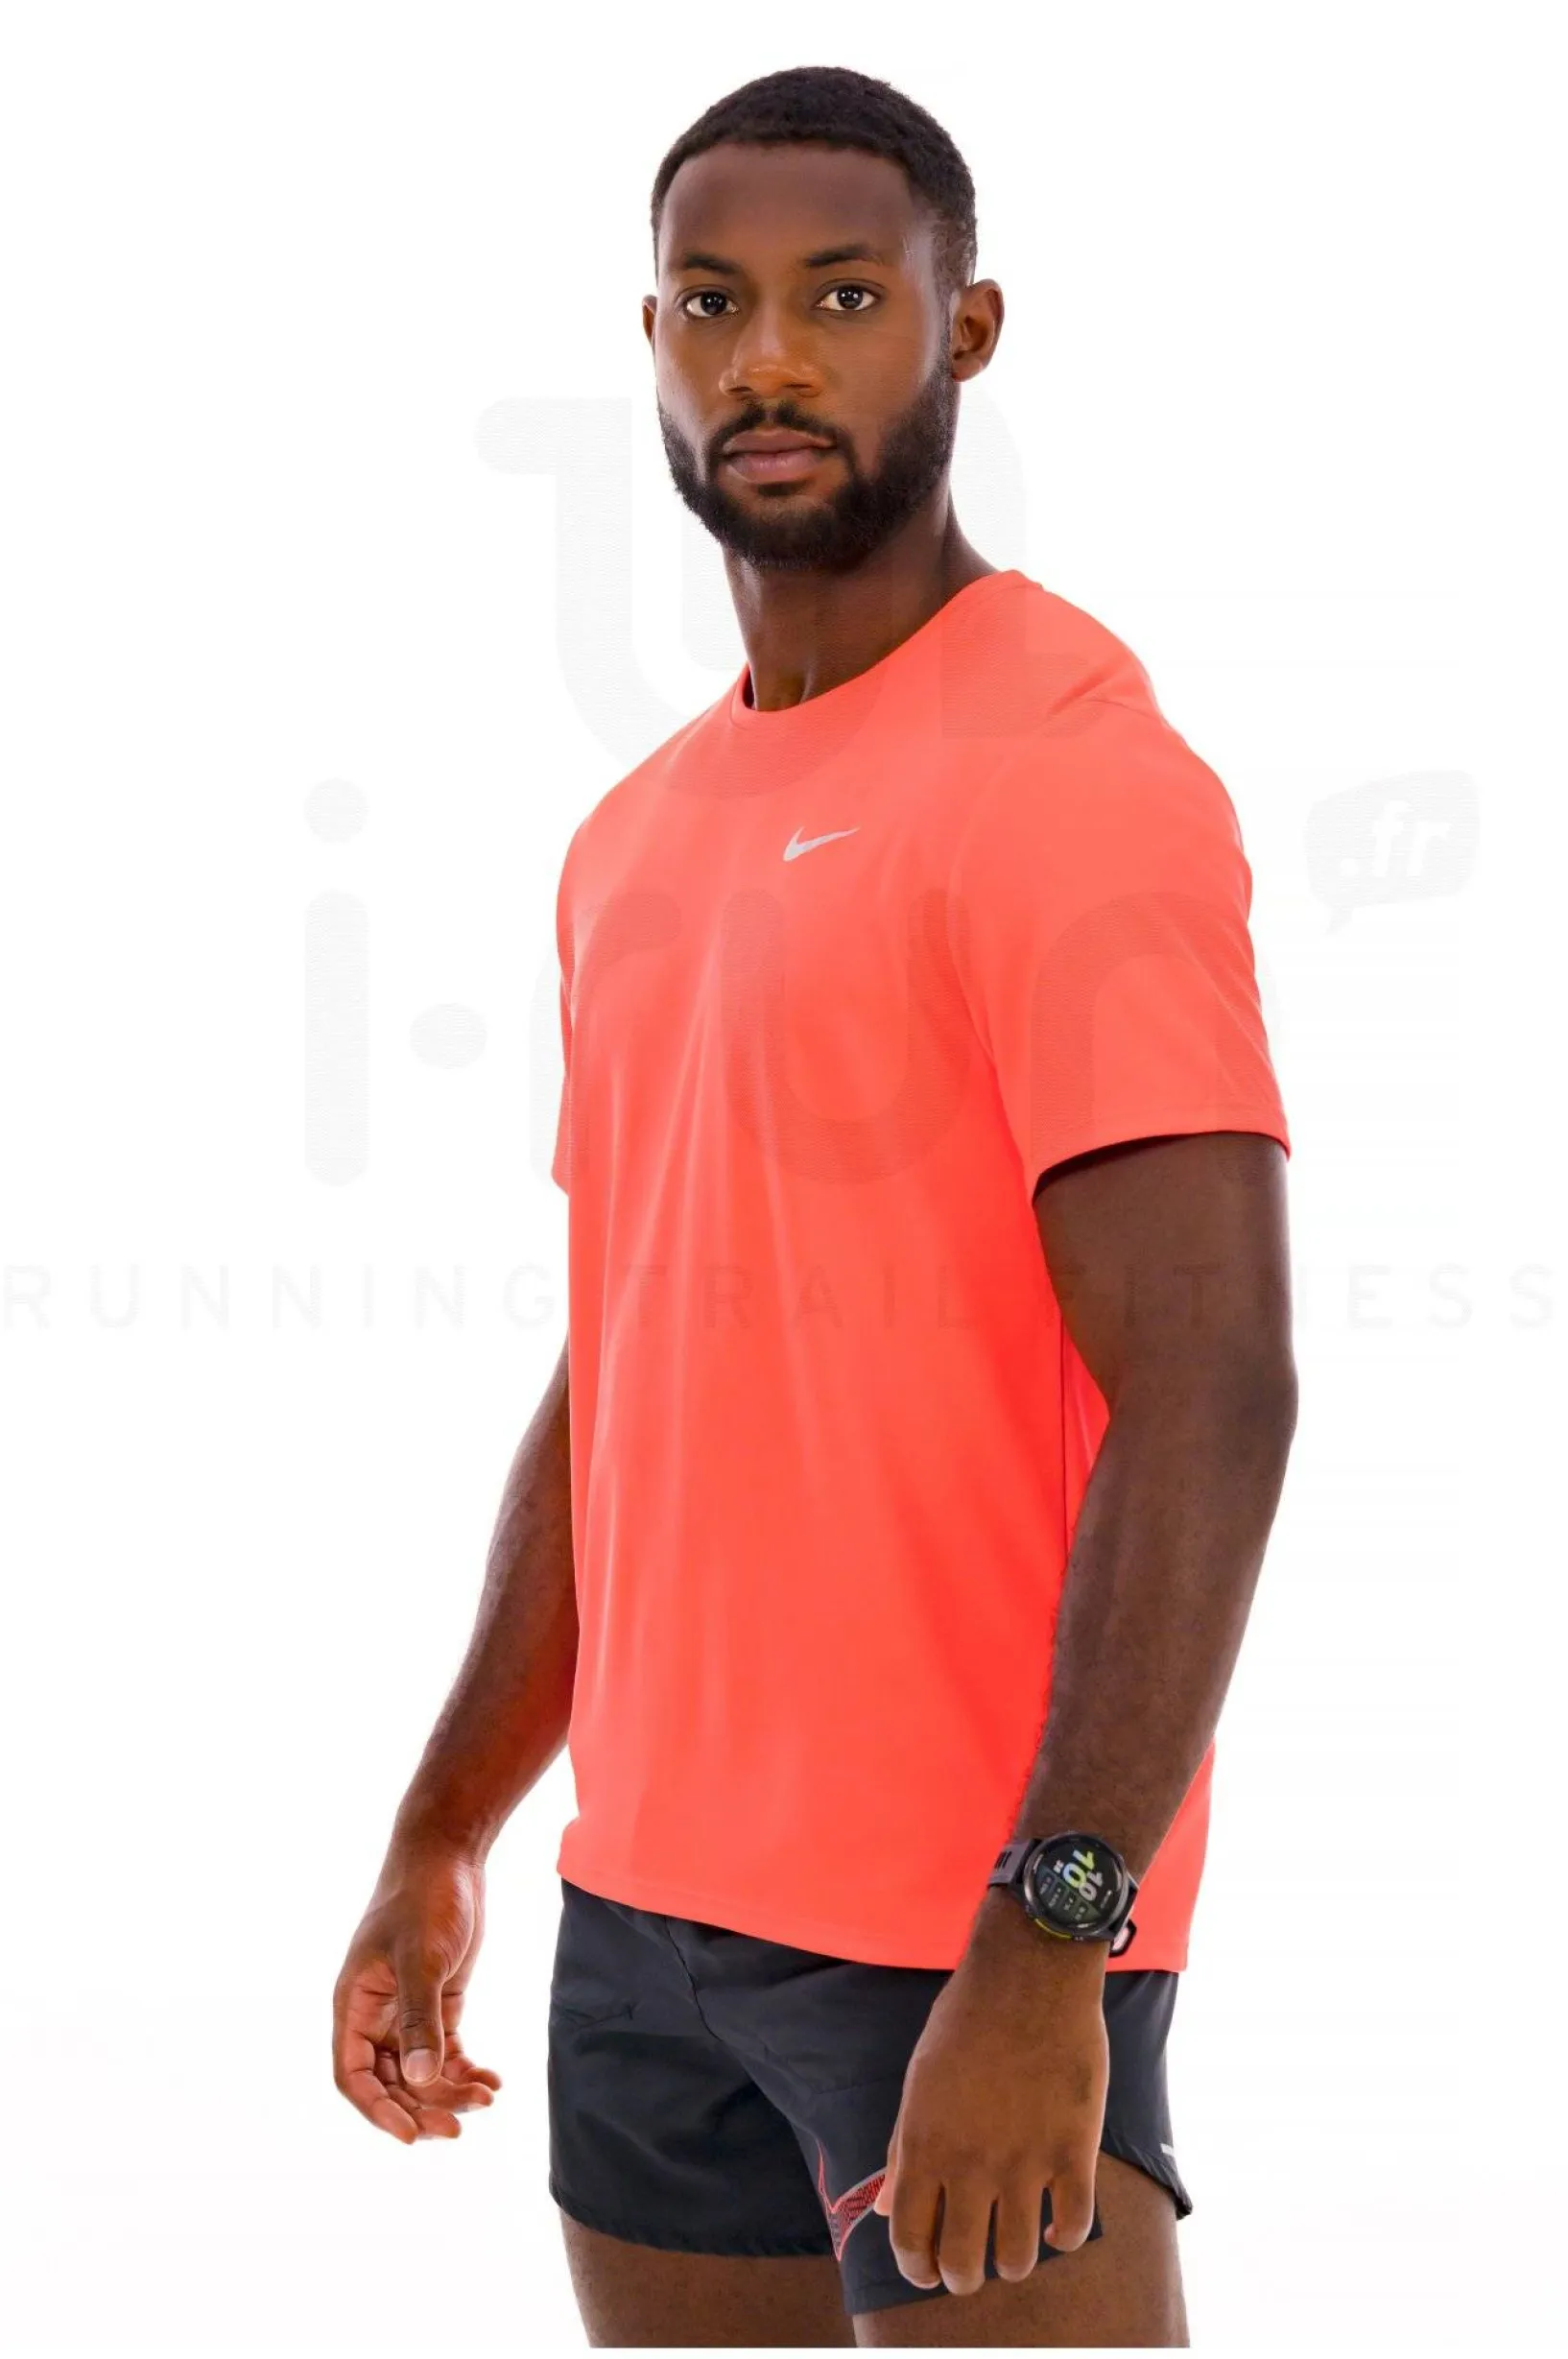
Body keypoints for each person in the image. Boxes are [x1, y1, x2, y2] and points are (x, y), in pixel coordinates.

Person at [332, 63, 1296, 2348]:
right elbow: (628, 1356)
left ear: (964, 329)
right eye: (713, 301)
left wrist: (1052, 1935)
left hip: (960, 1934)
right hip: (642, 1933)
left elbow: (1215, 1387)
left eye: (842, 298)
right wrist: (447, 1820)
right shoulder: (634, 836)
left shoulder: (1068, 776)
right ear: (652, 338)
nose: (767, 357)